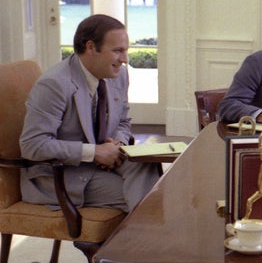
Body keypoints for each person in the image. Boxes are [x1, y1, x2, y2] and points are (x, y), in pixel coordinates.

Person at [20, 14, 160, 213]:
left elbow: (123, 121)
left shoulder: (118, 75)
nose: (125, 59)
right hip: (61, 175)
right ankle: (141, 241)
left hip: (100, 164)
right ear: (91, 47)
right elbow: (32, 145)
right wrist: (94, 152)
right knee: (150, 198)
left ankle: (140, 240)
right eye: (118, 51)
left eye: (125, 51)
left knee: (147, 167)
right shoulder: (54, 84)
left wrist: (116, 144)